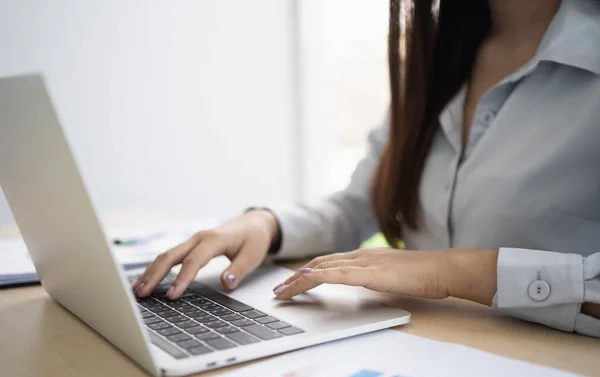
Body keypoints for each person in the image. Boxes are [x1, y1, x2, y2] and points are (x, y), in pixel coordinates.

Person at [133, 0, 600, 337]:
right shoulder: (438, 51)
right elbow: (361, 205)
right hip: (421, 348)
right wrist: (266, 225)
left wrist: (457, 271)